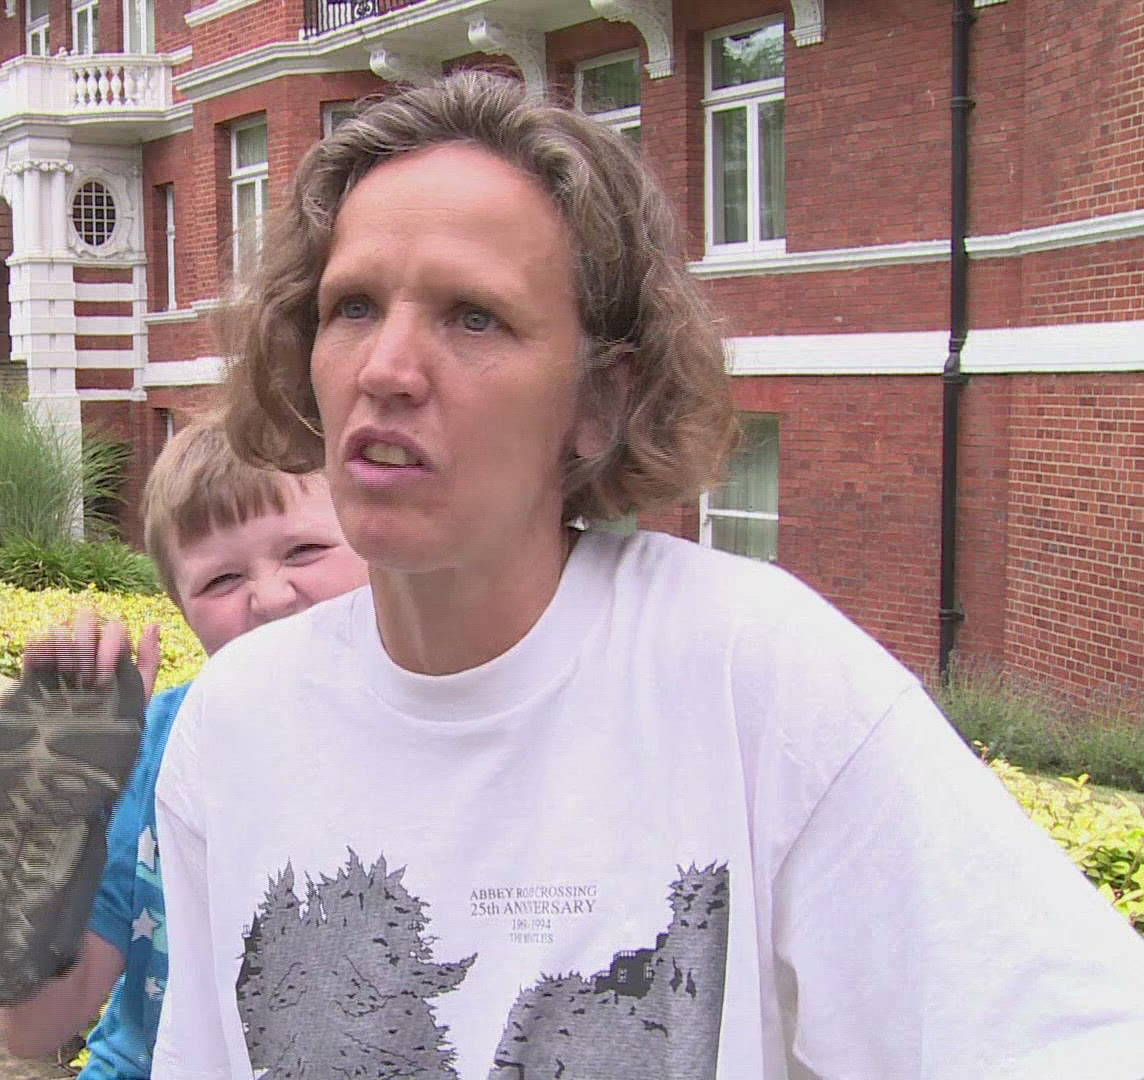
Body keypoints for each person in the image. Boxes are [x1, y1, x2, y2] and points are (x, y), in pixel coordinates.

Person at [151, 73, 1144, 1078]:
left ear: (600, 398)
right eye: (354, 306)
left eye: (474, 317)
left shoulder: (752, 674)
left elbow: (1076, 1037)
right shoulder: (237, 725)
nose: (386, 369)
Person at [0, 414, 368, 1077]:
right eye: (221, 581)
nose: (272, 597)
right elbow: (34, 1025)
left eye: (305, 550)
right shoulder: (155, 749)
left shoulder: (457, 731)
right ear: (182, 610)